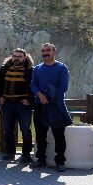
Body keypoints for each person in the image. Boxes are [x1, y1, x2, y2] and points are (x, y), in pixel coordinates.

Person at [30, 43, 72, 172]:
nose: (45, 52)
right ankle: (41, 159)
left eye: (48, 50)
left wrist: (48, 97)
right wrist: (39, 94)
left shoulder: (62, 68)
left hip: (56, 106)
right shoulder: (37, 68)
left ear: (55, 52)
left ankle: (60, 162)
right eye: (43, 51)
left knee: (59, 135)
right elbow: (33, 84)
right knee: (40, 134)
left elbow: (63, 87)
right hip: (40, 106)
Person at [0, 48, 34, 163]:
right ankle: (9, 153)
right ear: (11, 56)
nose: (16, 58)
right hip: (8, 104)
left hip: (23, 105)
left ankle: (26, 155)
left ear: (25, 57)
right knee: (8, 130)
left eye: (19, 56)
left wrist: (29, 100)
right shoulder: (5, 68)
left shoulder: (30, 70)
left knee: (26, 130)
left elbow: (35, 86)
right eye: (15, 56)